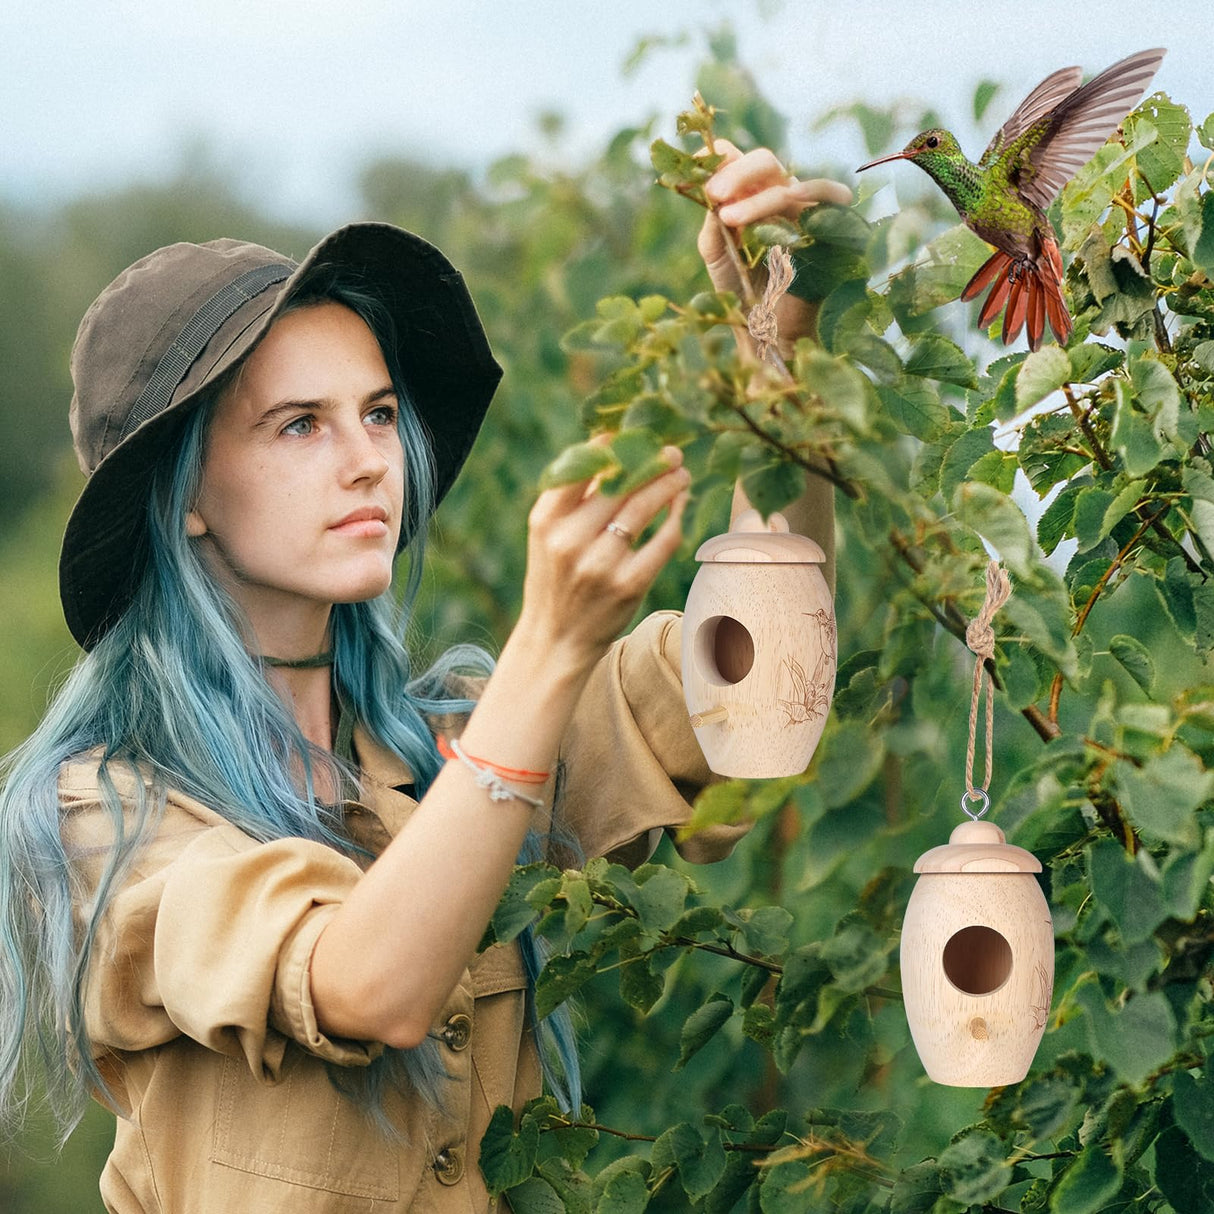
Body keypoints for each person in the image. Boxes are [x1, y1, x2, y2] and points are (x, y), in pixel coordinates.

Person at [0, 144, 849, 1212]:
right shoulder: (106, 816)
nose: (367, 458)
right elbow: (364, 984)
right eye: (299, 423)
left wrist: (776, 350)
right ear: (187, 497)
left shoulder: (450, 738)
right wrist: (550, 644)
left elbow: (758, 698)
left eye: (381, 411)